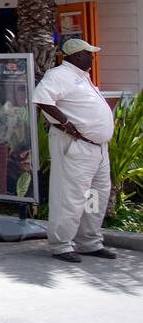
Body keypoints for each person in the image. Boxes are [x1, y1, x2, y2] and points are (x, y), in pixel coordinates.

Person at [33, 38, 117, 264]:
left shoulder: (81, 77)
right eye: (89, 53)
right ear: (77, 55)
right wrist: (65, 123)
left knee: (96, 195)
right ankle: (61, 244)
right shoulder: (60, 75)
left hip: (97, 148)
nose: (92, 56)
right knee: (70, 196)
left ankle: (89, 241)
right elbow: (41, 98)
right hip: (77, 146)